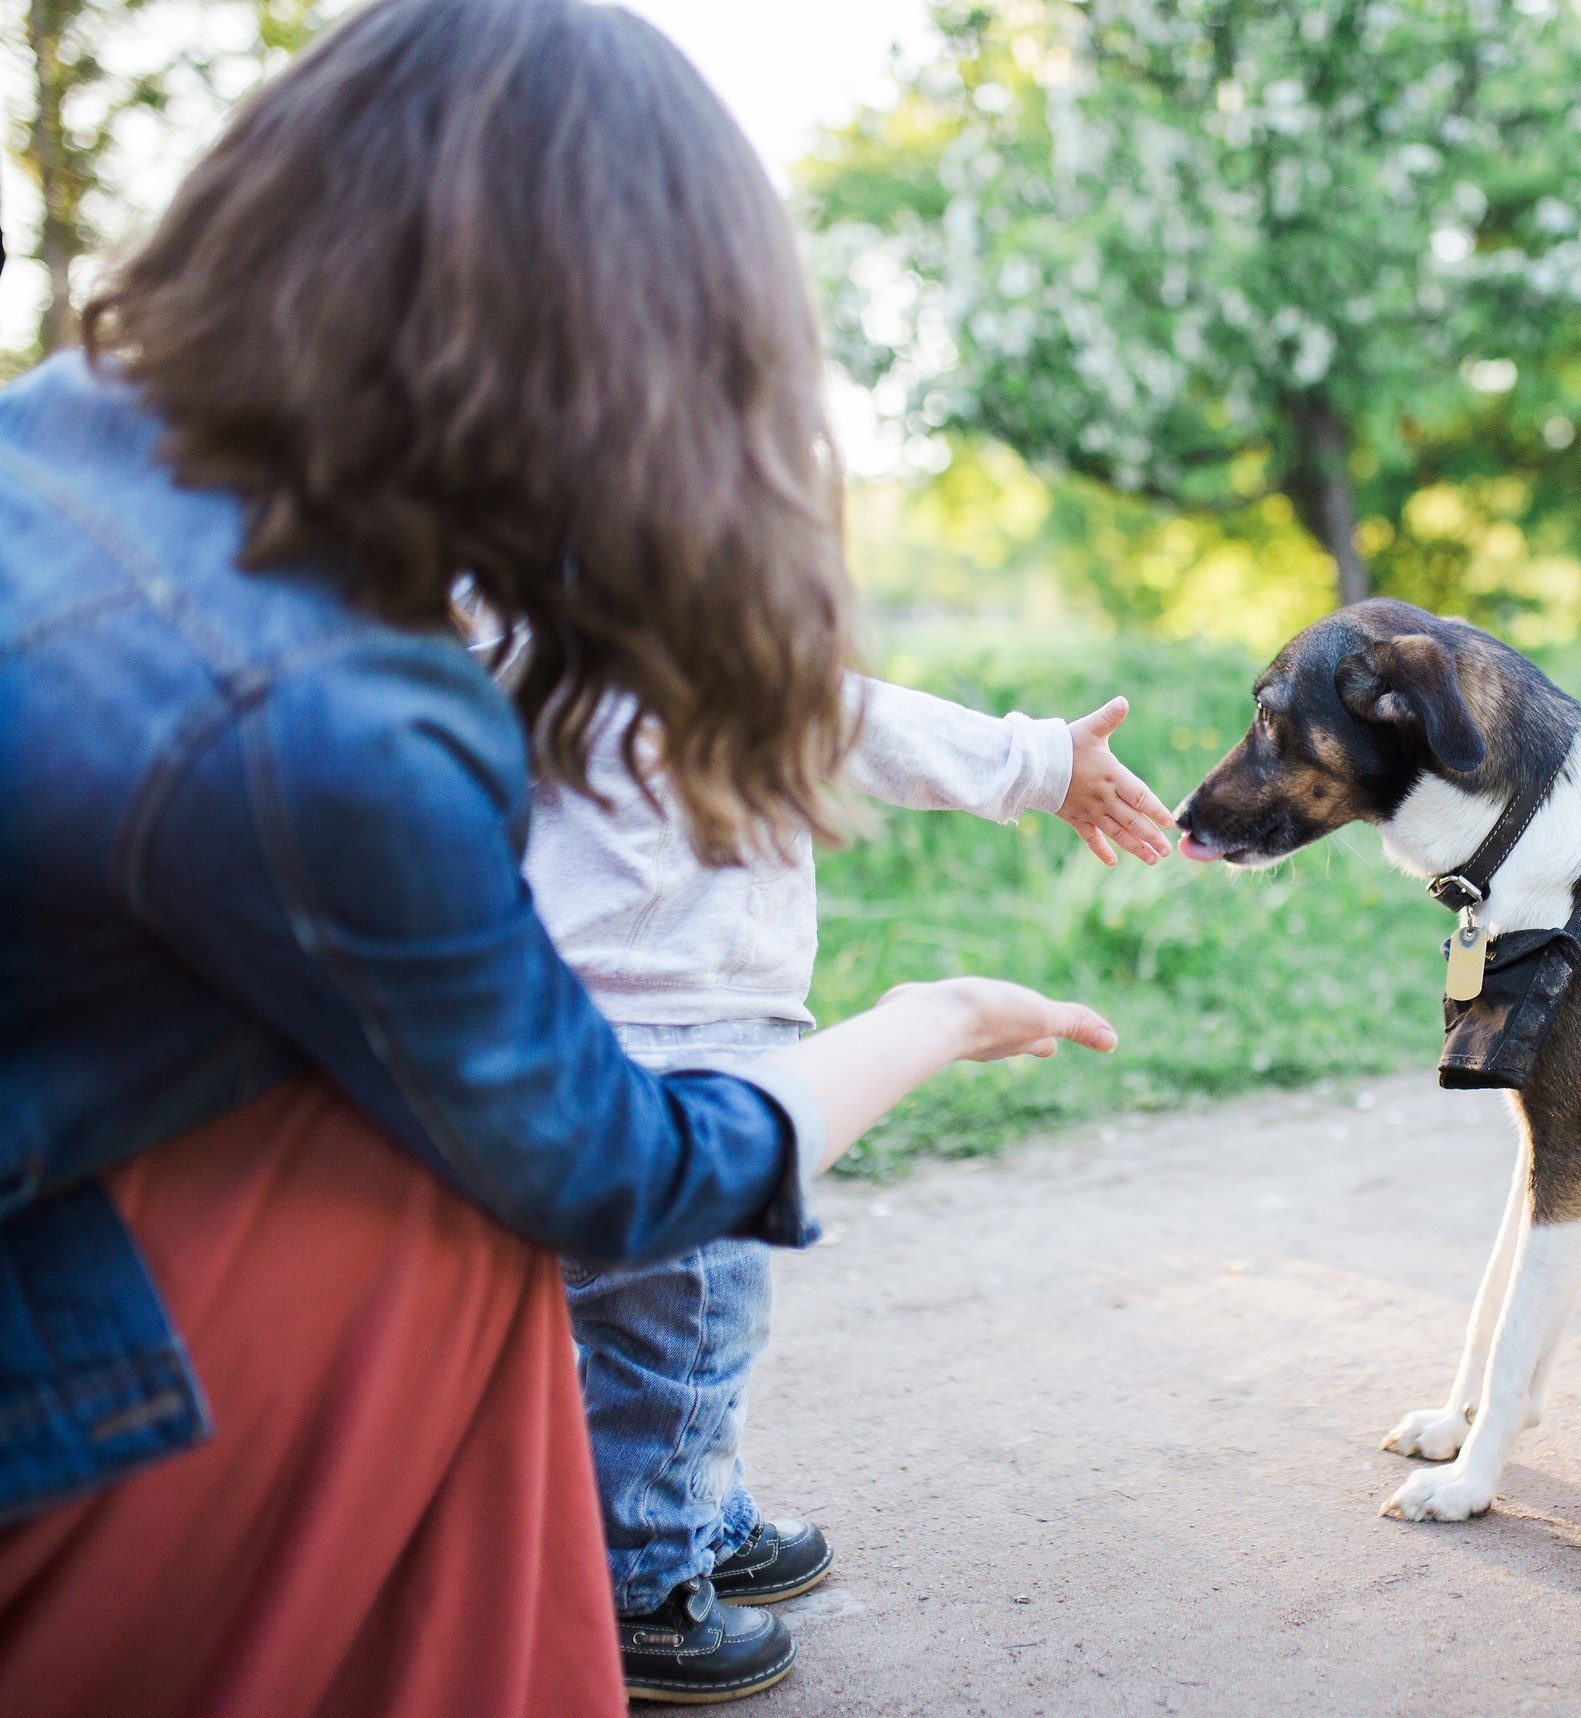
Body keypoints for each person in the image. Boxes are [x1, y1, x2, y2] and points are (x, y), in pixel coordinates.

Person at [0, 3, 1111, 1714]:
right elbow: (602, 1166)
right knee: (515, 1239)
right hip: (64, 1340)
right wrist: (940, 1014)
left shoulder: (72, 433)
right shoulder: (334, 715)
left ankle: (666, 1519)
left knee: (639, 1327)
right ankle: (633, 1581)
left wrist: (1035, 767)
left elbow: (855, 714)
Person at [509, 664, 1172, 1699]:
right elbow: (854, 719)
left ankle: (698, 1512)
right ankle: (643, 1587)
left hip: (544, 1022)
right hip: (682, 1040)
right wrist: (1041, 762)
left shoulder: (501, 608)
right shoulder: (671, 608)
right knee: (685, 1328)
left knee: (622, 1315)